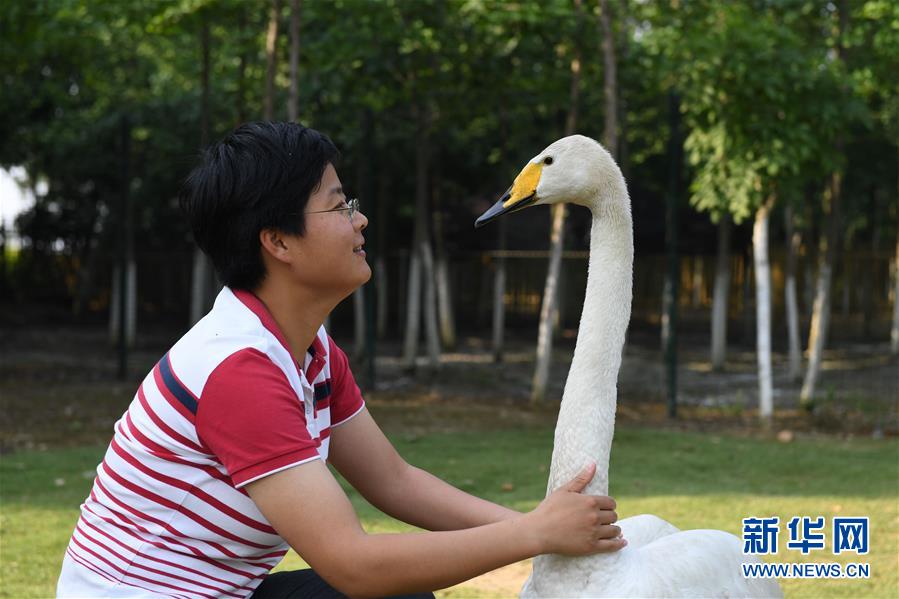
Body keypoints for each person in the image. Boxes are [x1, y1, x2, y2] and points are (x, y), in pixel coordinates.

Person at [57, 121, 626, 599]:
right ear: (277, 242)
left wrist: (543, 527)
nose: (361, 221)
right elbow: (353, 565)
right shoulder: (240, 372)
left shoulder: (309, 350)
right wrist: (533, 535)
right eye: (339, 206)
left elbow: (394, 482)